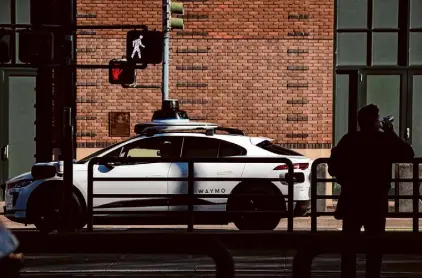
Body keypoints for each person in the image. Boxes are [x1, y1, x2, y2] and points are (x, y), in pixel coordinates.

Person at [328, 104, 415, 278]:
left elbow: (333, 167)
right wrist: (390, 133)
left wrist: (345, 180)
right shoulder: (383, 141)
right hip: (376, 198)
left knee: (349, 245)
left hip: (352, 198)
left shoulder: (349, 139)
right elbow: (408, 154)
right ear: (376, 122)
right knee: (375, 246)